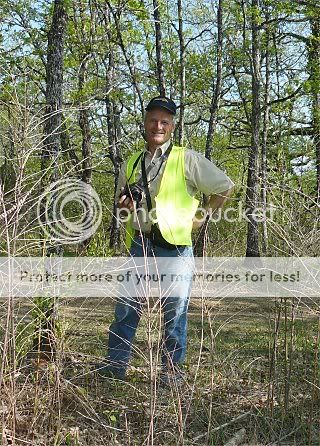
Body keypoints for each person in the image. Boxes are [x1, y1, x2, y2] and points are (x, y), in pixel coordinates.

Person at [102, 96, 234, 383]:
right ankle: (114, 370)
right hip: (140, 243)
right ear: (145, 122)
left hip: (175, 248)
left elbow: (225, 187)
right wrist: (125, 207)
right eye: (153, 120)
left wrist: (201, 216)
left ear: (172, 126)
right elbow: (122, 205)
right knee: (126, 308)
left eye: (164, 121)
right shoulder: (132, 162)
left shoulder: (187, 159)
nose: (157, 126)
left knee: (174, 312)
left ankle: (171, 375)